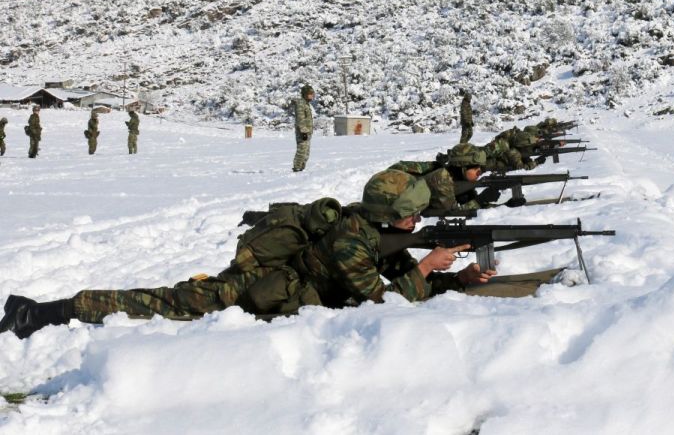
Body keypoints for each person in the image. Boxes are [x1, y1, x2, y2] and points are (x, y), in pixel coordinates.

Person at [0, 170, 494, 339]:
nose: (415, 225)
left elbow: (401, 277)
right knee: (163, 304)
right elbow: (383, 303)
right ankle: (42, 312)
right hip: (253, 292)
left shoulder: (372, 233)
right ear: (389, 215)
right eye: (409, 218)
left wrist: (457, 279)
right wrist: (429, 267)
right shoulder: (350, 239)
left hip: (282, 290)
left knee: (168, 302)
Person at [389, 143, 497, 214]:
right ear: (462, 167)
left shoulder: (458, 179)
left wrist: (505, 205)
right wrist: (481, 200)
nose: (480, 171)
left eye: (480, 167)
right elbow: (454, 213)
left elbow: (469, 202)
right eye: (475, 167)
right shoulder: (442, 180)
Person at [292, 84, 314, 172]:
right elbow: (300, 119)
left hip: (307, 132)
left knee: (306, 153)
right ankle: (297, 168)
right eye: (310, 93)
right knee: (301, 152)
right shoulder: (300, 103)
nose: (312, 95)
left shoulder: (306, 103)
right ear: (305, 94)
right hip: (303, 133)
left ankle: (301, 168)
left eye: (312, 93)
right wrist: (304, 131)